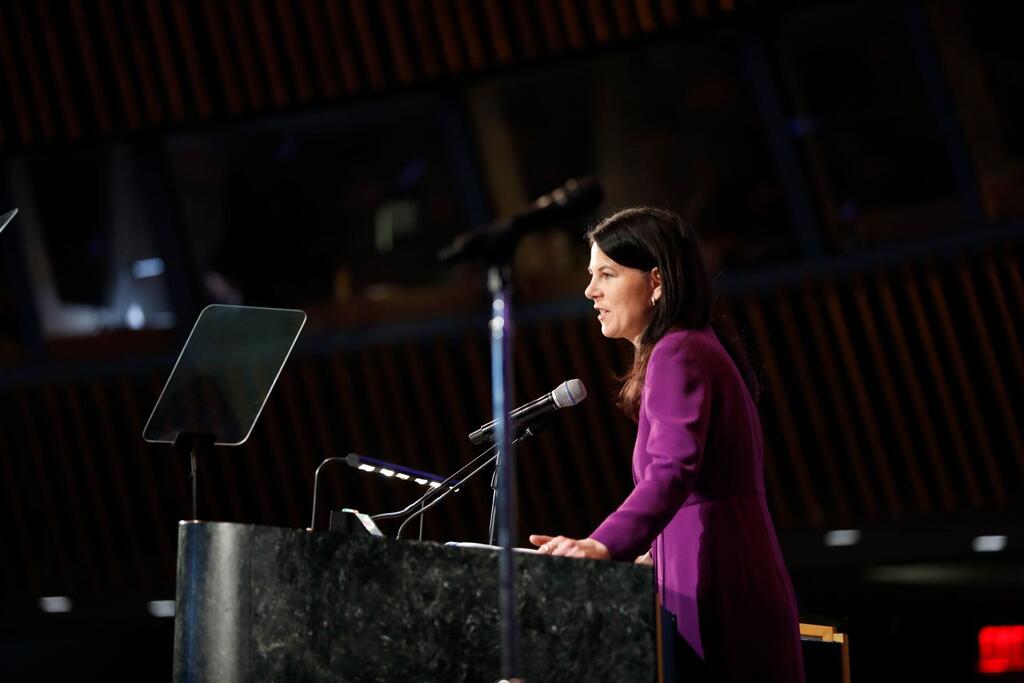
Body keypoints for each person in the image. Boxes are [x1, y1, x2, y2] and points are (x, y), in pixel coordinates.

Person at [529, 207, 804, 682]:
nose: (590, 291)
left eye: (607, 274)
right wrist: (652, 554)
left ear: (656, 280)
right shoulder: (688, 346)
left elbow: (673, 471)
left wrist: (600, 544)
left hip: (721, 586)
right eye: (591, 276)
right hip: (708, 576)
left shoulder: (678, 351)